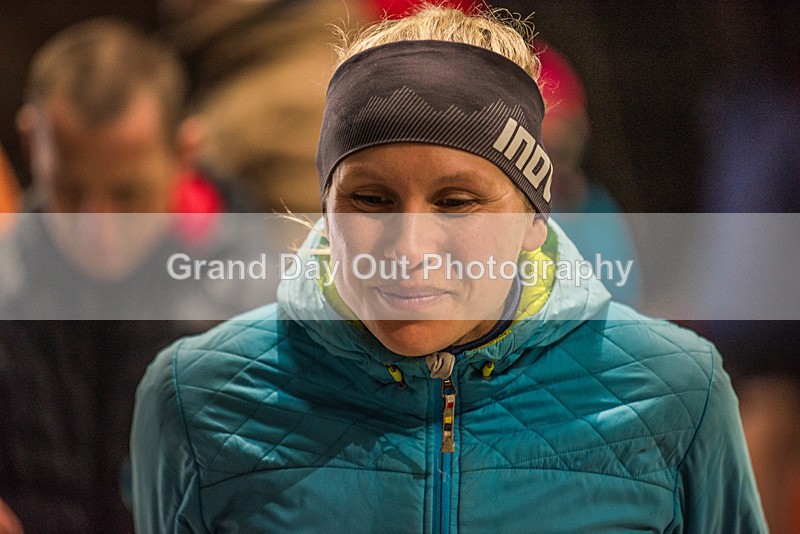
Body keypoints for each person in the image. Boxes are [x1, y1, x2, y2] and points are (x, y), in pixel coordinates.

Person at [131, 5, 767, 532]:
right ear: (325, 206)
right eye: (370, 199)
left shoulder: (677, 395)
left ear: (533, 221)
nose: (409, 247)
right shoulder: (197, 399)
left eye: (458, 202)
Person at [0, 19, 269, 534]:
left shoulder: (256, 303)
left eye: (127, 195)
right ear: (32, 142)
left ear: (184, 154)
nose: (97, 231)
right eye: (71, 191)